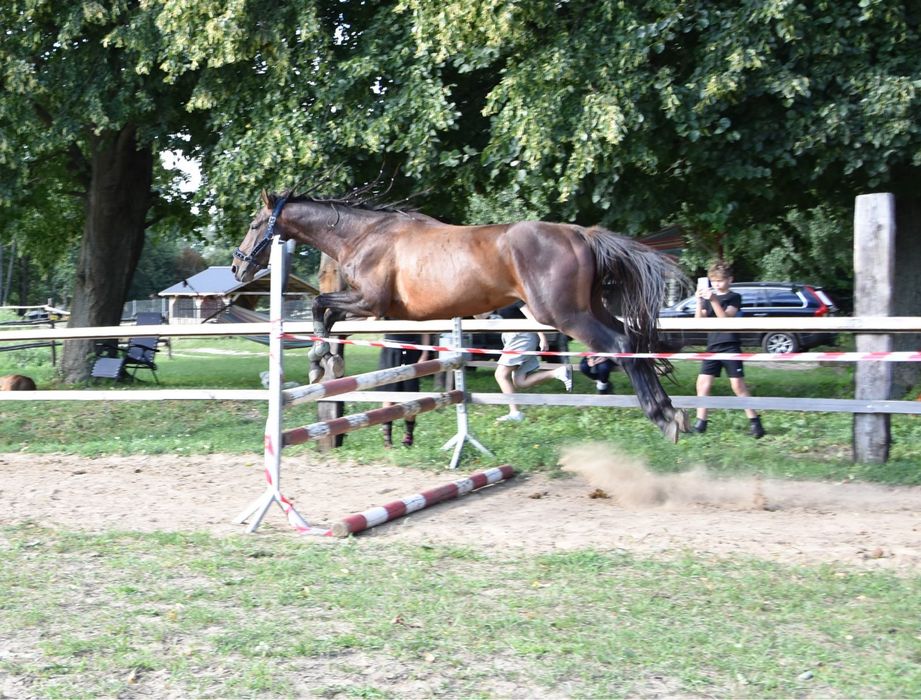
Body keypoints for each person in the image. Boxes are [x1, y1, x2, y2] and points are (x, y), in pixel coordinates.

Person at [693, 261, 765, 438]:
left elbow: (725, 319)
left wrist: (714, 300)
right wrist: (699, 301)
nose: (717, 284)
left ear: (730, 280)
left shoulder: (734, 297)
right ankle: (701, 423)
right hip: (712, 346)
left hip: (730, 345)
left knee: (737, 386)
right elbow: (697, 321)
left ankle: (755, 422)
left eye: (720, 280)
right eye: (714, 280)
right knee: (703, 384)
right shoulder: (710, 298)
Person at [493, 301, 573, 422]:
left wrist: (542, 338)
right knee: (520, 381)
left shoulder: (515, 299)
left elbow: (533, 318)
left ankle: (515, 413)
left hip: (523, 337)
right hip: (511, 339)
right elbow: (482, 316)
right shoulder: (498, 299)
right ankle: (558, 372)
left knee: (501, 374)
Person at [377, 333, 431, 447]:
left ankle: (408, 435)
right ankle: (387, 440)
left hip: (411, 349)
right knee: (388, 395)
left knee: (410, 396)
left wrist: (425, 353)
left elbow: (425, 329)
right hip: (390, 349)